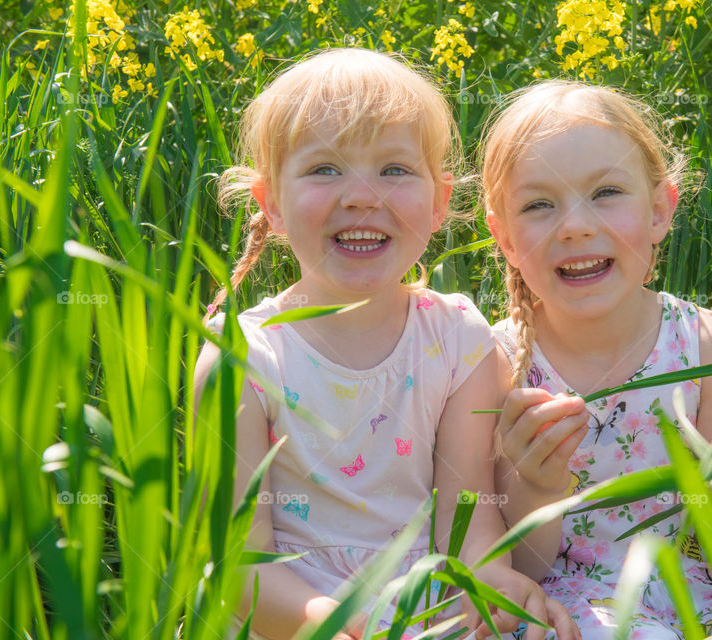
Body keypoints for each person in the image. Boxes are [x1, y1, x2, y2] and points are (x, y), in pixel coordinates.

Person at [193, 49, 577, 640]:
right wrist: (333, 626)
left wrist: (490, 582)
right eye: (325, 169)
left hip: (425, 600)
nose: (362, 196)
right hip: (288, 610)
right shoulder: (243, 353)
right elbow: (240, 562)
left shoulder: (459, 340)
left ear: (439, 201)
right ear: (270, 204)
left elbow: (466, 517)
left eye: (394, 170)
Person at [480, 81, 712, 638]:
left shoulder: (708, 346)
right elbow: (520, 566)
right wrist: (536, 488)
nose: (576, 225)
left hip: (689, 605)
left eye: (606, 193)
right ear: (505, 239)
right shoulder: (493, 361)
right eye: (538, 205)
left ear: (659, 211)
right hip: (552, 610)